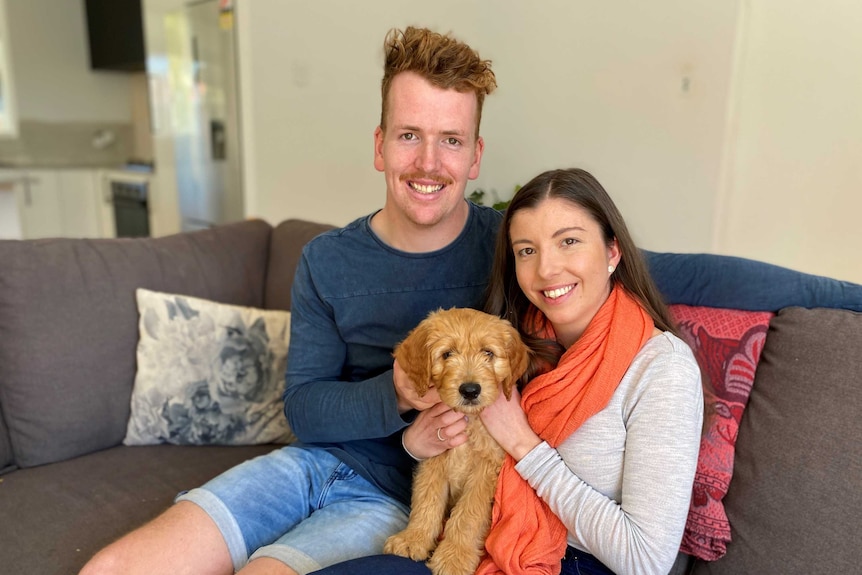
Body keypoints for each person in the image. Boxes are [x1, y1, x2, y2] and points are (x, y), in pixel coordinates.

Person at [79, 26, 500, 575]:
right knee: (110, 569)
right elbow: (303, 407)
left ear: (475, 156)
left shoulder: (510, 252)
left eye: (451, 139)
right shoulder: (327, 260)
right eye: (408, 135)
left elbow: (606, 265)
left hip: (394, 497)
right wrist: (397, 393)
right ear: (379, 145)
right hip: (306, 464)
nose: (427, 162)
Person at [314, 167, 704, 575]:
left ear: (612, 252)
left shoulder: (663, 369)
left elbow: (646, 560)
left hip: (567, 561)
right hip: (492, 539)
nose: (547, 269)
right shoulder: (518, 341)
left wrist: (523, 444)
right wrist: (415, 442)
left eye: (569, 241)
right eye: (527, 250)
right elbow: (458, 447)